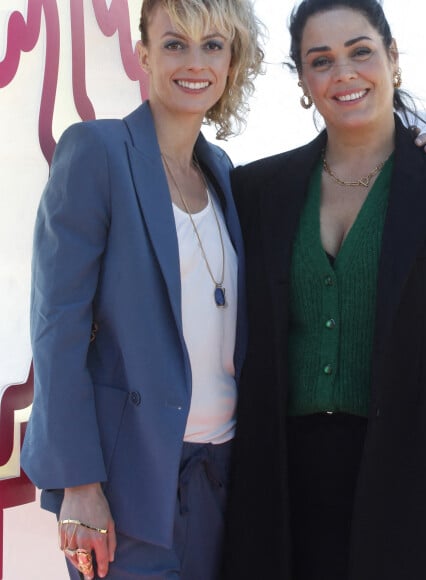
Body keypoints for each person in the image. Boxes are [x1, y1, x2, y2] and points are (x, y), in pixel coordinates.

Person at [222, 1, 426, 579]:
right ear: (304, 81)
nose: (344, 74)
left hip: (414, 497)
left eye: (360, 51)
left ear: (392, 59)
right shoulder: (256, 191)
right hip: (279, 502)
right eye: (321, 61)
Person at [20, 0, 263, 578]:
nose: (194, 61)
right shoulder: (97, 153)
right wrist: (78, 482)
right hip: (127, 490)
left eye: (213, 45)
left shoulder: (225, 173)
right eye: (175, 43)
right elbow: (58, 328)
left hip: (223, 477)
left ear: (232, 63)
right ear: (144, 54)